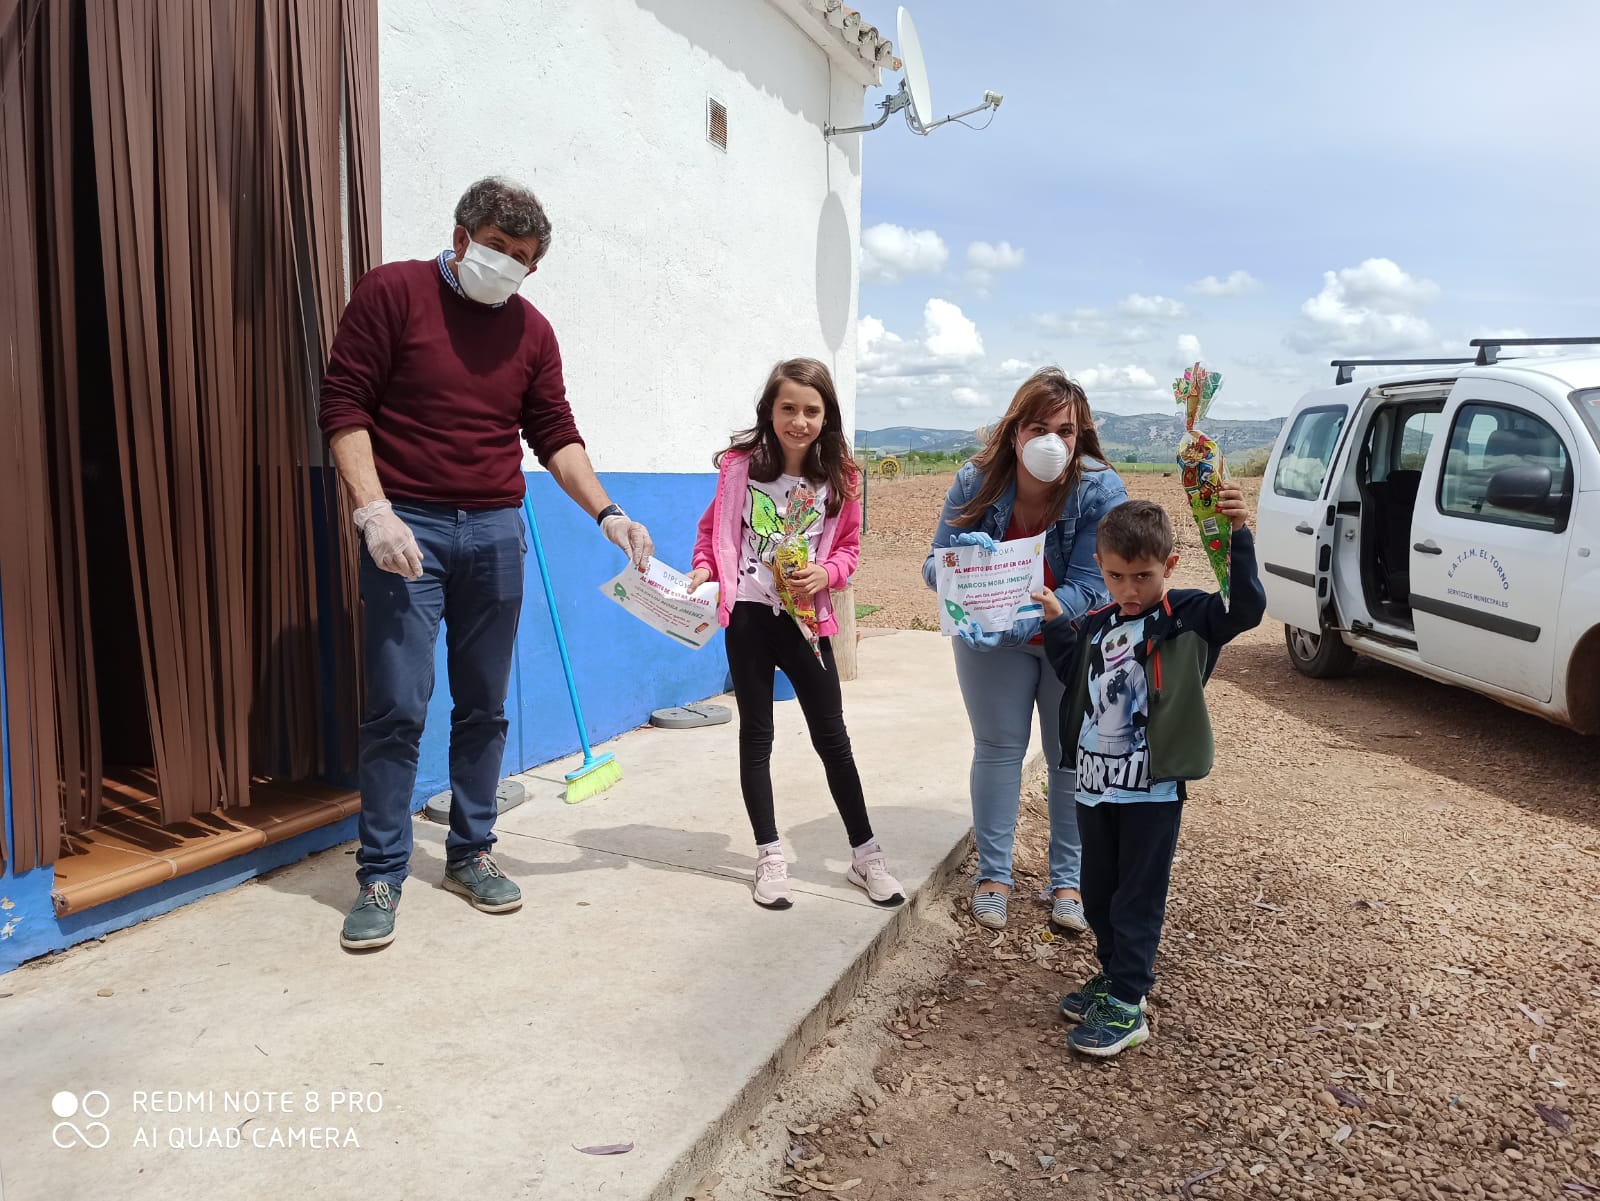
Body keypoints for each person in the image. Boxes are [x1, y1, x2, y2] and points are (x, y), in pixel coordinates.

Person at [318, 177, 653, 951]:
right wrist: (373, 511)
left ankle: (470, 851)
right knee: (399, 704)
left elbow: (555, 434)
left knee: (485, 706)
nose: (508, 266)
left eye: (525, 259)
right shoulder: (392, 292)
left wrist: (609, 513)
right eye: (499, 248)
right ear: (463, 234)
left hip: (498, 532)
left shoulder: (532, 332)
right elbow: (344, 406)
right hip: (409, 530)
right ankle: (380, 872)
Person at [1037, 494, 1264, 1057]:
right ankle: (1114, 979)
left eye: (1143, 576)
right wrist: (1060, 623)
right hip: (1093, 787)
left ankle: (1131, 1002)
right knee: (1096, 894)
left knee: (1137, 897)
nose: (1129, 590)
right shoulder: (1099, 620)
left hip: (1151, 791)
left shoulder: (1186, 615)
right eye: (1115, 576)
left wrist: (1236, 535)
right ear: (1100, 564)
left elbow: (1245, 609)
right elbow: (1074, 675)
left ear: (1171, 565)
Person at [687, 358, 903, 911]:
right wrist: (706, 569)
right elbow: (712, 531)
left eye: (812, 410)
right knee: (756, 735)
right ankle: (769, 855)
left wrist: (825, 574)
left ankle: (866, 855)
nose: (799, 420)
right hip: (751, 621)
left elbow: (850, 550)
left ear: (826, 416)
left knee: (832, 736)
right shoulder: (739, 469)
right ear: (770, 410)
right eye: (789, 408)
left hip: (808, 624)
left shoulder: (842, 478)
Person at [922, 369, 1127, 932]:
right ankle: (994, 874)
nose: (1052, 442)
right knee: (997, 749)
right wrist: (959, 567)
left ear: (1079, 435)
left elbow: (1091, 587)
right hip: (990, 644)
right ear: (1015, 432)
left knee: (1069, 758)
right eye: (1039, 427)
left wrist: (1017, 616)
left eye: (1066, 430)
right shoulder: (975, 482)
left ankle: (1068, 880)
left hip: (1068, 642)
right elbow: (932, 567)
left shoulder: (1098, 488)